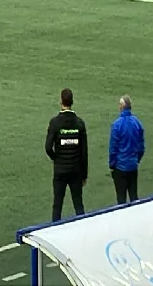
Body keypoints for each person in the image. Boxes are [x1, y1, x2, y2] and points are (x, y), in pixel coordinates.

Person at [45, 87, 88, 222]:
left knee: (57, 204)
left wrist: (56, 158)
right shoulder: (79, 123)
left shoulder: (55, 122)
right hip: (76, 169)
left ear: (61, 101)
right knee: (78, 204)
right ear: (72, 102)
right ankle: (83, 230)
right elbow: (84, 152)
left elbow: (48, 147)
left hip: (60, 169)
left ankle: (54, 233)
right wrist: (84, 174)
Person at [109, 95, 145, 205]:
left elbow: (113, 149)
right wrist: (136, 159)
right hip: (133, 166)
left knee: (121, 200)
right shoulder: (137, 123)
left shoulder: (117, 125)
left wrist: (112, 165)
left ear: (121, 107)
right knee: (134, 197)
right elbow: (141, 147)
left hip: (120, 167)